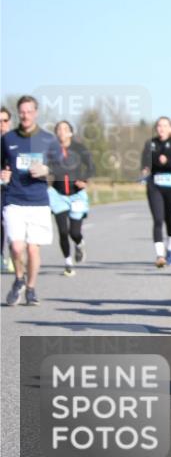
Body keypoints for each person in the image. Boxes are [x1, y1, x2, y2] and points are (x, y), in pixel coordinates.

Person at [2, 96, 58, 305]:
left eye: (29, 111)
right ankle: (19, 279)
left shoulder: (47, 139)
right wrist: (2, 174)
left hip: (38, 202)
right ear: (19, 113)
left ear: (36, 112)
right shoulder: (8, 139)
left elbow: (60, 169)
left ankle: (31, 288)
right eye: (22, 112)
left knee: (33, 249)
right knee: (16, 247)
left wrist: (47, 170)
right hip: (14, 199)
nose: (25, 115)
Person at [46, 121, 95, 276]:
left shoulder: (79, 148)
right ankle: (68, 262)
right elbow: (44, 167)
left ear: (70, 133)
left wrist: (84, 180)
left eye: (65, 129)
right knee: (62, 231)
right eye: (59, 129)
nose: (62, 131)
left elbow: (91, 167)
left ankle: (79, 244)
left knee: (74, 232)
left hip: (77, 194)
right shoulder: (51, 150)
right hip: (57, 194)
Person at [141, 117, 171, 268]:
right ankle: (160, 256)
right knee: (158, 219)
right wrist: (146, 169)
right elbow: (144, 163)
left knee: (170, 221)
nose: (161, 128)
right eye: (159, 126)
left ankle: (170, 251)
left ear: (170, 129)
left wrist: (167, 161)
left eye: (165, 126)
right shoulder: (150, 144)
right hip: (154, 186)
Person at [0, 106, 13, 273]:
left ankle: (13, 255)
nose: (1, 124)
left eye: (4, 121)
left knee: (11, 224)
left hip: (15, 190)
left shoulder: (16, 141)